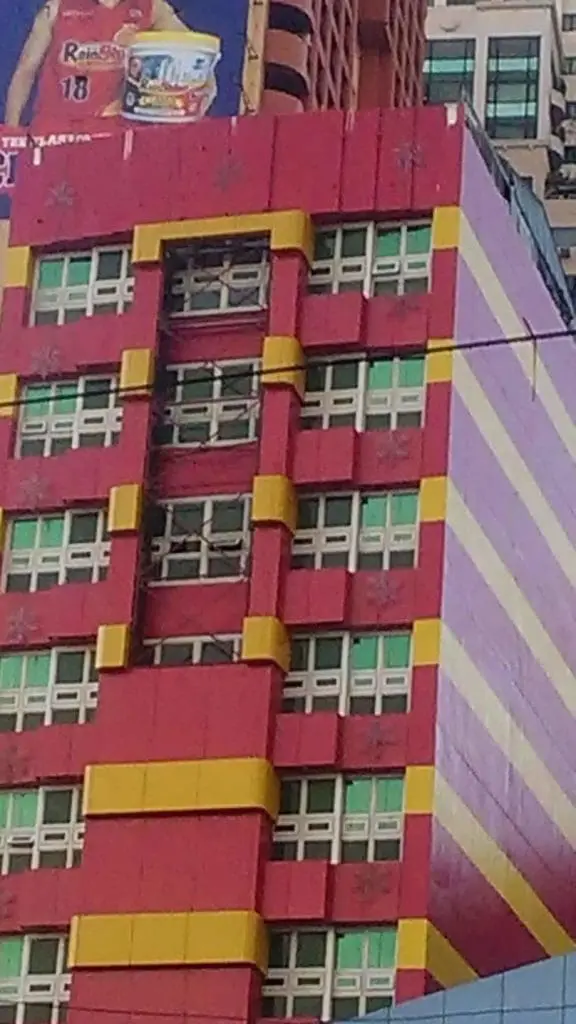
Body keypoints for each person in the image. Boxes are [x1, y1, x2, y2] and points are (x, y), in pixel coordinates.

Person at [5, 0, 216, 128]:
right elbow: (25, 71)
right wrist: (10, 133)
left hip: (114, 136)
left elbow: (196, 48)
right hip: (55, 132)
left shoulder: (151, 8)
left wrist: (206, 83)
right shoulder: (57, 7)